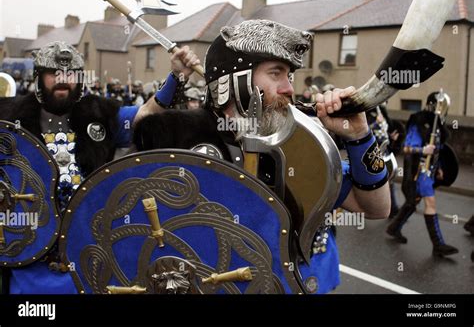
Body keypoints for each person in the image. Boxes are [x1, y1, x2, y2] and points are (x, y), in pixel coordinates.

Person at [134, 19, 390, 294]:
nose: (289, 88)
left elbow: (376, 208)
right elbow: (139, 136)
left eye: (289, 76)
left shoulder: (299, 144)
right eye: (276, 73)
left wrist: (359, 135)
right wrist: (175, 78)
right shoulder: (181, 133)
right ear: (237, 77)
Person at [0, 40, 200, 293]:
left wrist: (176, 77)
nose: (63, 80)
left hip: (89, 250)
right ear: (39, 77)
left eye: (70, 73)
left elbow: (145, 114)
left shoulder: (101, 114)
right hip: (29, 257)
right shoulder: (9, 119)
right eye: (54, 73)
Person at [386, 92, 458, 257]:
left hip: (430, 171)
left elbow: (437, 151)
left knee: (412, 202)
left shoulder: (437, 126)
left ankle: (394, 227)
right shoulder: (419, 122)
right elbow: (407, 149)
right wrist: (423, 150)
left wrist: (439, 167)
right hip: (419, 172)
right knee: (429, 203)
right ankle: (438, 244)